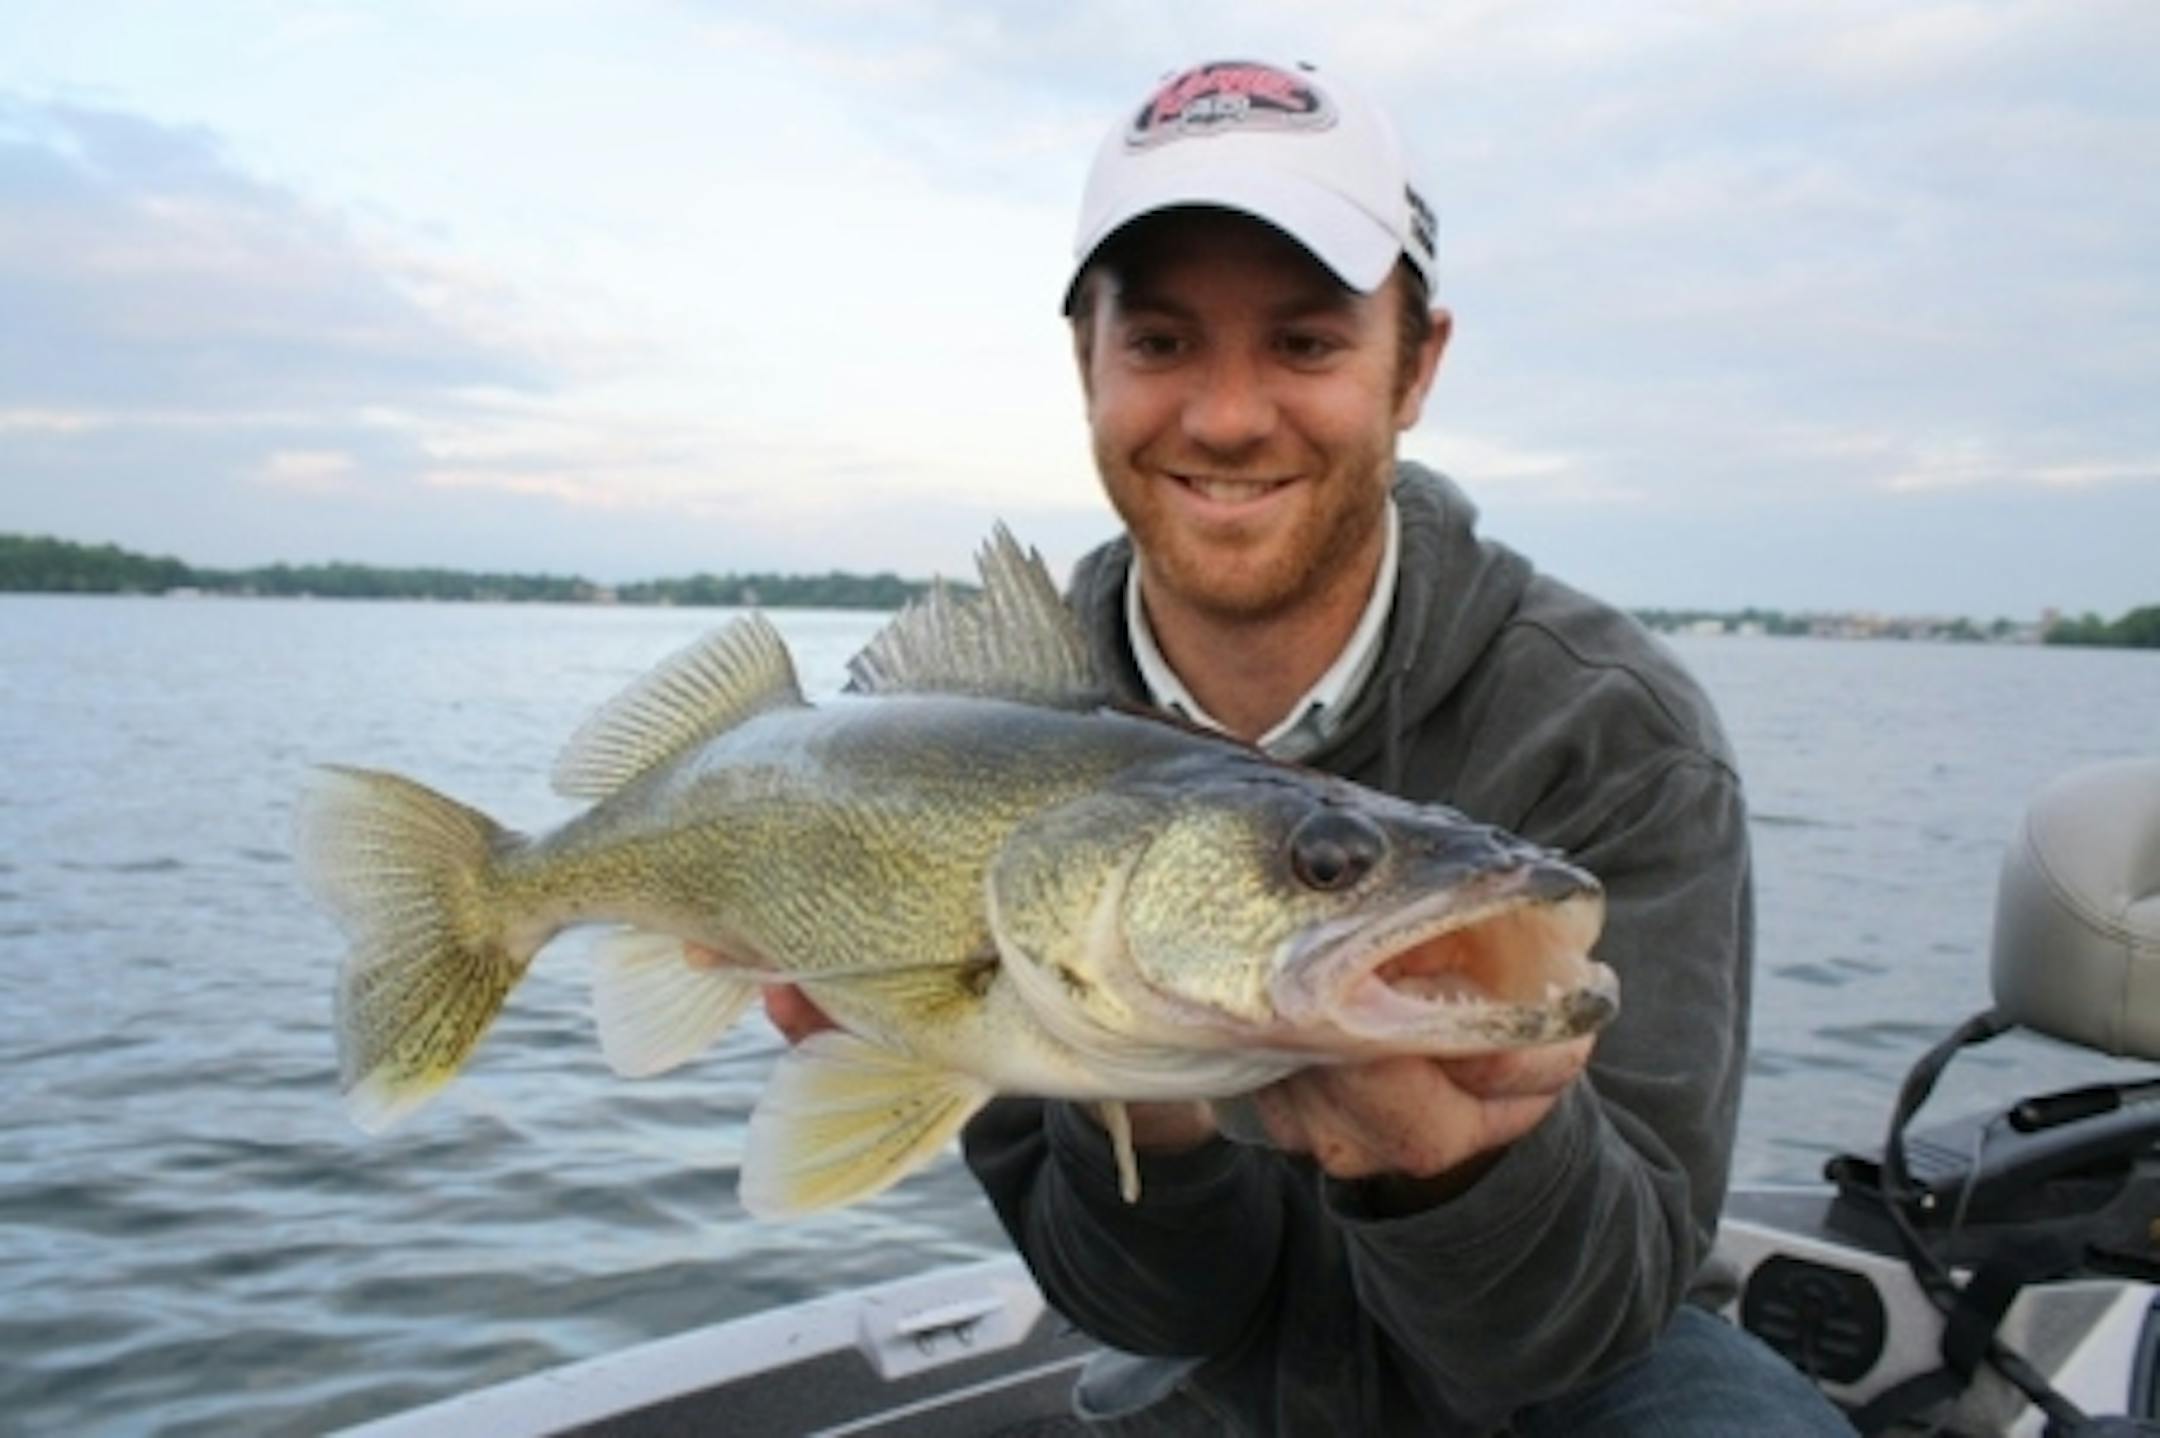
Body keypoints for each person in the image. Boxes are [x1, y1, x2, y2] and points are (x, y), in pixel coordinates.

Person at [766, 57, 1855, 1436]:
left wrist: (1451, 1167)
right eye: (1160, 342)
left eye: (1306, 342)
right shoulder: (978, 753)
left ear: (1418, 365)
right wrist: (1140, 1116)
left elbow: (1597, 1313)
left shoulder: (1617, 733)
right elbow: (1152, 1311)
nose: (1226, 415)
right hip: (1203, 1373)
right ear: (1084, 363)